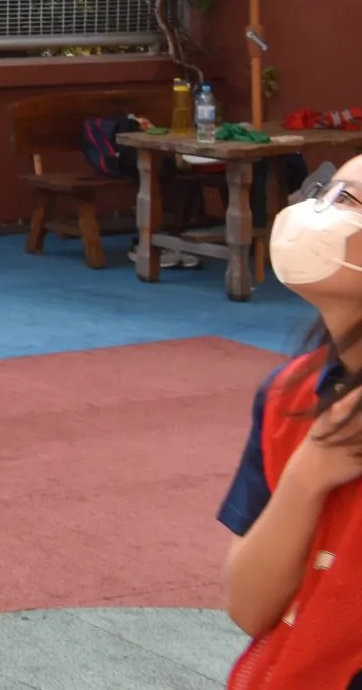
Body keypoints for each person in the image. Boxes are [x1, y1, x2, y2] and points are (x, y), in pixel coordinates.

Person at [217, 157, 362, 686]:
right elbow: (250, 609)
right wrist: (309, 473)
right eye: (323, 191)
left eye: (347, 202)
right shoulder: (289, 394)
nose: (316, 212)